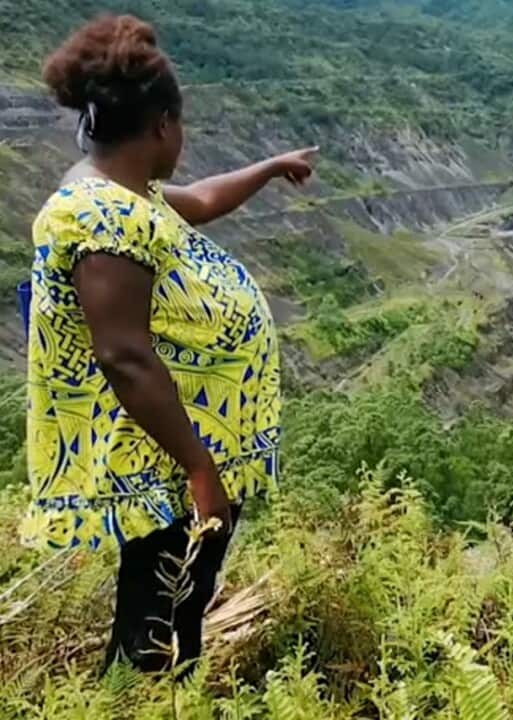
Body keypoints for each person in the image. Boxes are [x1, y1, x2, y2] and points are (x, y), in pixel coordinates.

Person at [23, 14, 317, 675]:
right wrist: (199, 469)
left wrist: (271, 167)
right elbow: (122, 356)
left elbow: (204, 200)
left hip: (180, 452)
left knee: (171, 603)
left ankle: (143, 690)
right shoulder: (102, 218)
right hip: (164, 463)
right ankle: (137, 699)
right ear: (162, 125)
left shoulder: (125, 192)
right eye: (180, 125)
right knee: (161, 617)